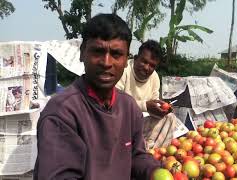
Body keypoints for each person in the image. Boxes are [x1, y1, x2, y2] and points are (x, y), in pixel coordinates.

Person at [33, 14, 161, 180]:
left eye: (116, 54)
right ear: (82, 54)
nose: (106, 62)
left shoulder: (129, 107)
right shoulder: (62, 112)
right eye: (98, 51)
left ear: (125, 60)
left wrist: (155, 171)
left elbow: (136, 156)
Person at [116, 40, 176, 149]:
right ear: (135, 58)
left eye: (152, 65)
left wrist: (161, 110)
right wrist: (145, 106)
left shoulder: (154, 78)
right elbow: (114, 102)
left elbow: (154, 106)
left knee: (170, 118)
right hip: (121, 123)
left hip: (141, 123)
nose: (147, 68)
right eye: (144, 61)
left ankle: (152, 151)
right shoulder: (123, 71)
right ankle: (141, 149)